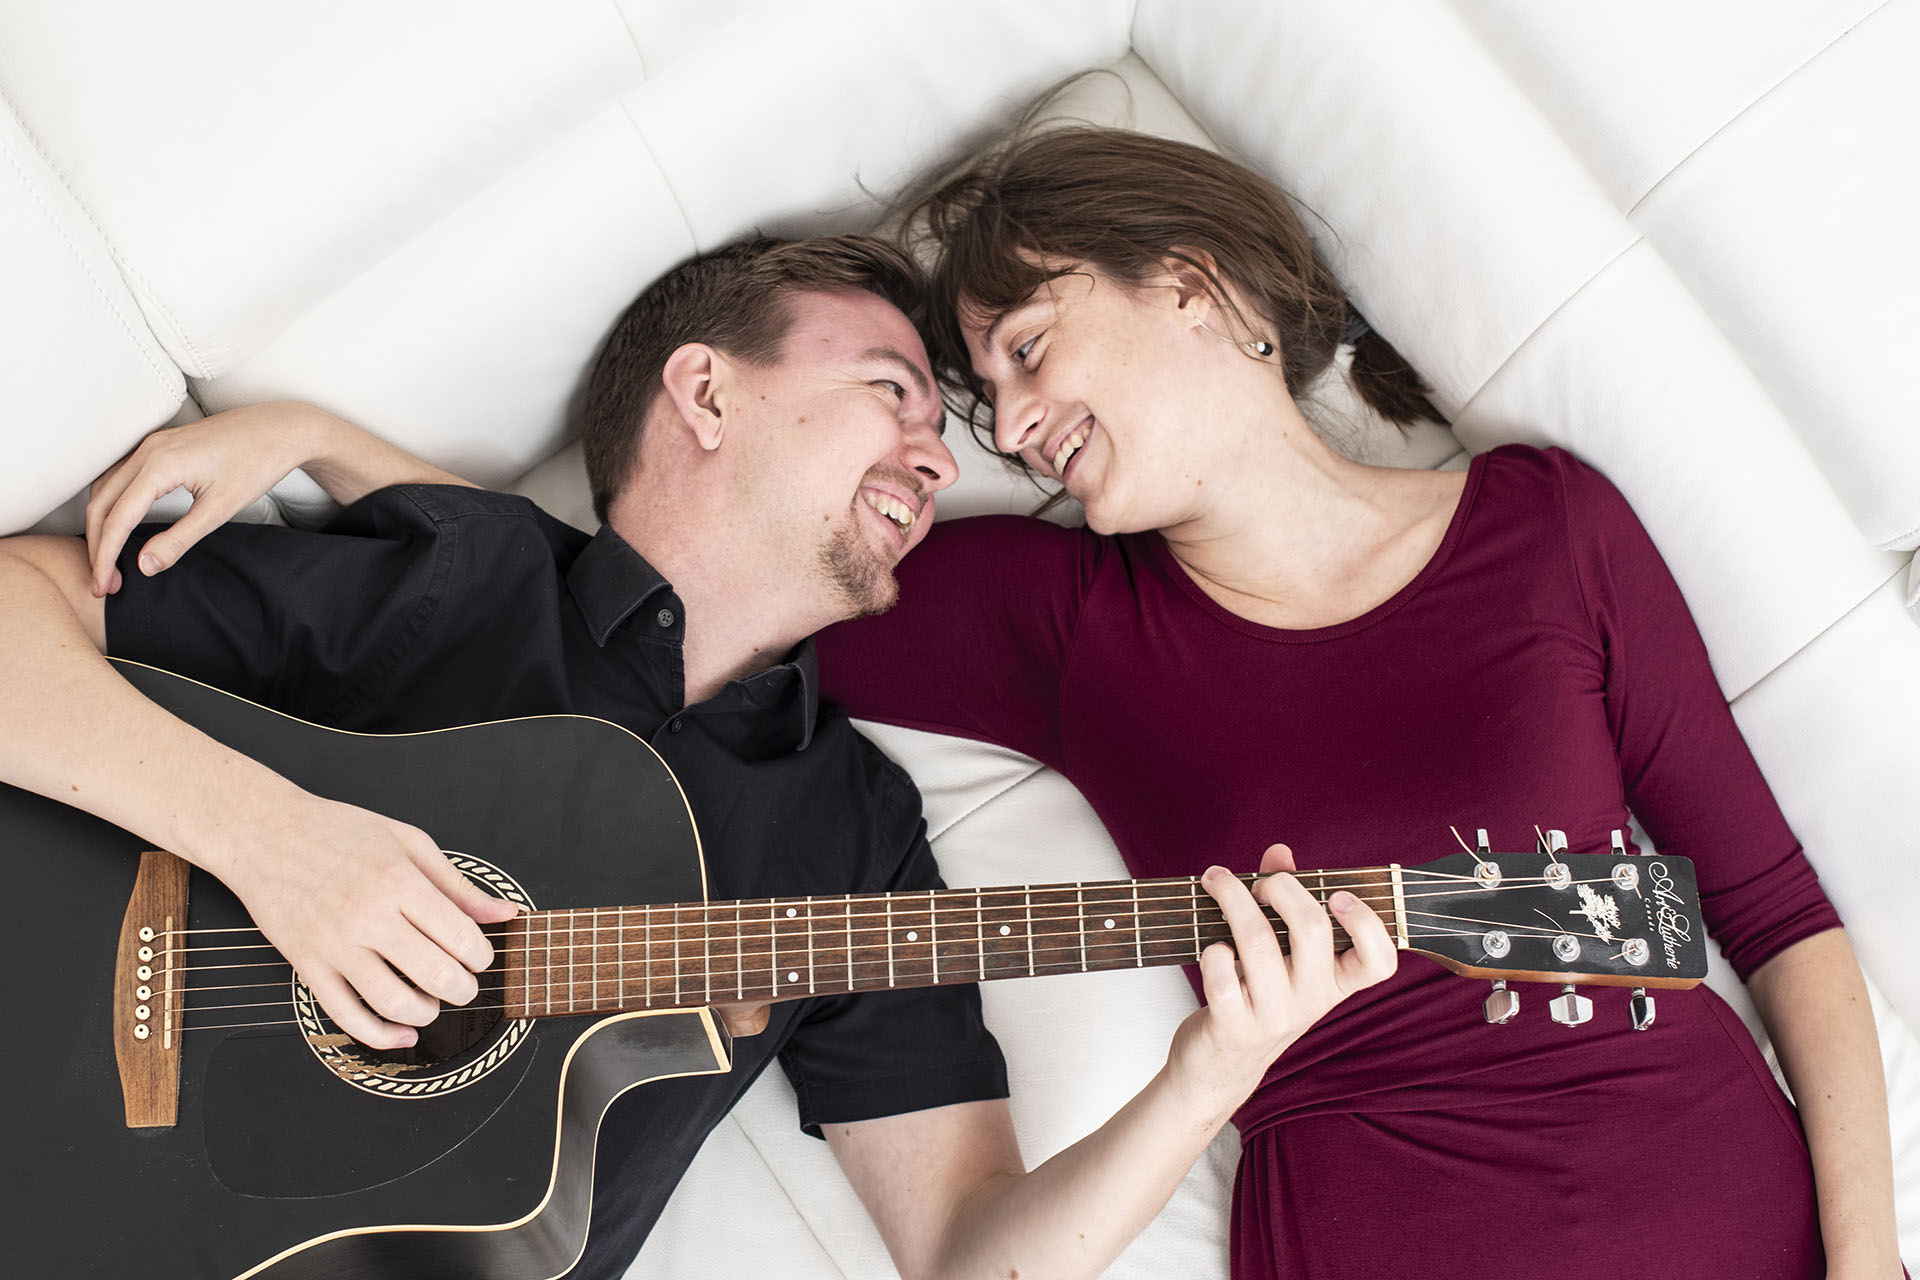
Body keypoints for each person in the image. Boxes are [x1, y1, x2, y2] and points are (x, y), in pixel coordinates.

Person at [0, 233, 1395, 1279]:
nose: (937, 459)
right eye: (892, 392)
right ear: (707, 393)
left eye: (938, 430)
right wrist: (275, 842)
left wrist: (1212, 1074)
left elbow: (971, 1253)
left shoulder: (850, 839)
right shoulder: (473, 582)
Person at [808, 128, 1903, 1277]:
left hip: (1721, 1196)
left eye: (1028, 350)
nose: (1013, 426)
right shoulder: (1067, 620)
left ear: (1191, 286)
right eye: (991, 393)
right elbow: (743, 586)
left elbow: (1778, 916)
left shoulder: (1546, 530)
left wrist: (1868, 1262)